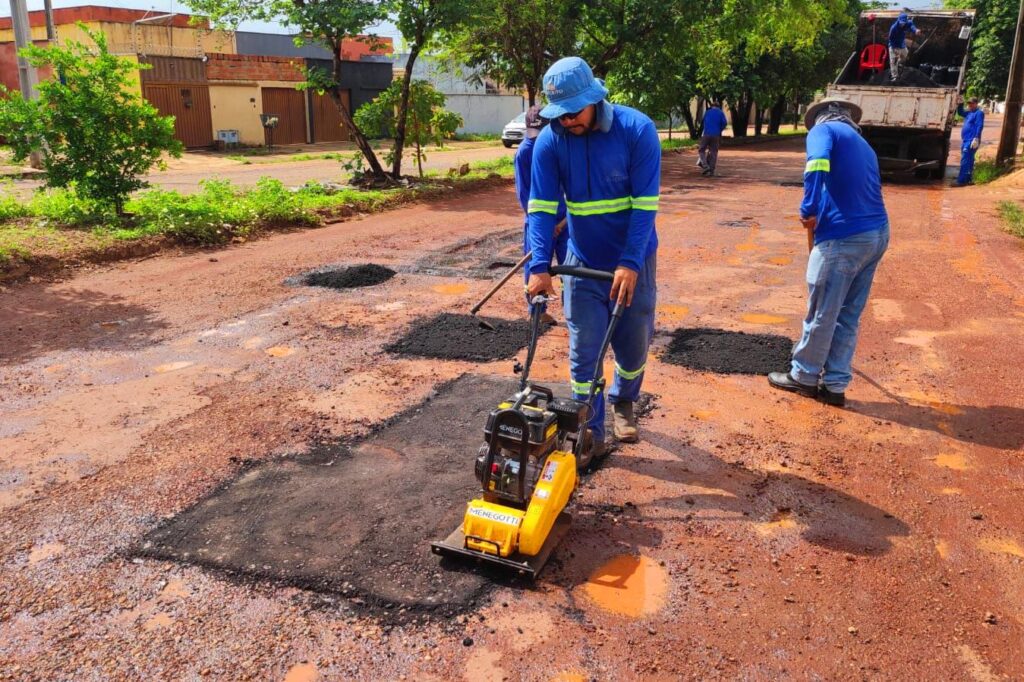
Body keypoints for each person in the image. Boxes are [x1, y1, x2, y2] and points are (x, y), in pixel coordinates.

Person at [526, 56, 659, 467]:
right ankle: (590, 430)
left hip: (632, 261)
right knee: (584, 353)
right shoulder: (551, 141)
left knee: (632, 349)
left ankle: (623, 400)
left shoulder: (637, 131)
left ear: (595, 100)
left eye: (572, 112)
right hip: (581, 263)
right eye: (558, 114)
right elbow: (542, 208)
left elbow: (644, 207)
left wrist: (630, 262)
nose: (566, 121)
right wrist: (538, 267)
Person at [768, 98, 889, 407]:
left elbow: (817, 164)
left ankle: (804, 375)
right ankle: (835, 384)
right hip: (876, 234)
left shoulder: (824, 132)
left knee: (823, 309)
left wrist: (808, 209)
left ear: (819, 118)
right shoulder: (863, 144)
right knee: (848, 313)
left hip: (844, 238)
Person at [514, 105, 568, 321]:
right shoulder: (524, 153)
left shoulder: (556, 147)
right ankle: (537, 313)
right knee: (537, 267)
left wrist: (561, 222)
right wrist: (543, 224)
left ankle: (574, 311)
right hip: (538, 222)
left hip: (564, 221)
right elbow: (524, 194)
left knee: (569, 267)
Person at [954, 96, 984, 187]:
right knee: (969, 160)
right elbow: (960, 112)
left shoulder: (979, 113)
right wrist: (960, 104)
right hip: (965, 140)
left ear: (976, 104)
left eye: (971, 103)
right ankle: (968, 179)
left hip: (972, 140)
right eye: (969, 103)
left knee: (965, 160)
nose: (970, 105)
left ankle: (961, 181)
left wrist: (976, 138)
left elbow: (980, 125)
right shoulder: (968, 113)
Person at [887, 12, 922, 83]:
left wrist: (916, 30)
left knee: (906, 57)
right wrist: (895, 50)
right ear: (898, 20)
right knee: (893, 61)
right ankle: (895, 76)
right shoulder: (893, 28)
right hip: (893, 45)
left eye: (903, 22)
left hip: (902, 44)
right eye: (901, 22)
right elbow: (890, 38)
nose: (902, 24)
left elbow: (912, 26)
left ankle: (898, 64)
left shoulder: (908, 23)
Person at [698, 102, 728, 176]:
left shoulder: (707, 112)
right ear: (718, 106)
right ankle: (711, 171)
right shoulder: (721, 113)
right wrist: (719, 129)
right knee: (713, 152)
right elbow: (724, 123)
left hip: (706, 134)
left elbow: (704, 122)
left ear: (712, 106)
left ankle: (705, 166)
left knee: (701, 150)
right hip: (716, 135)